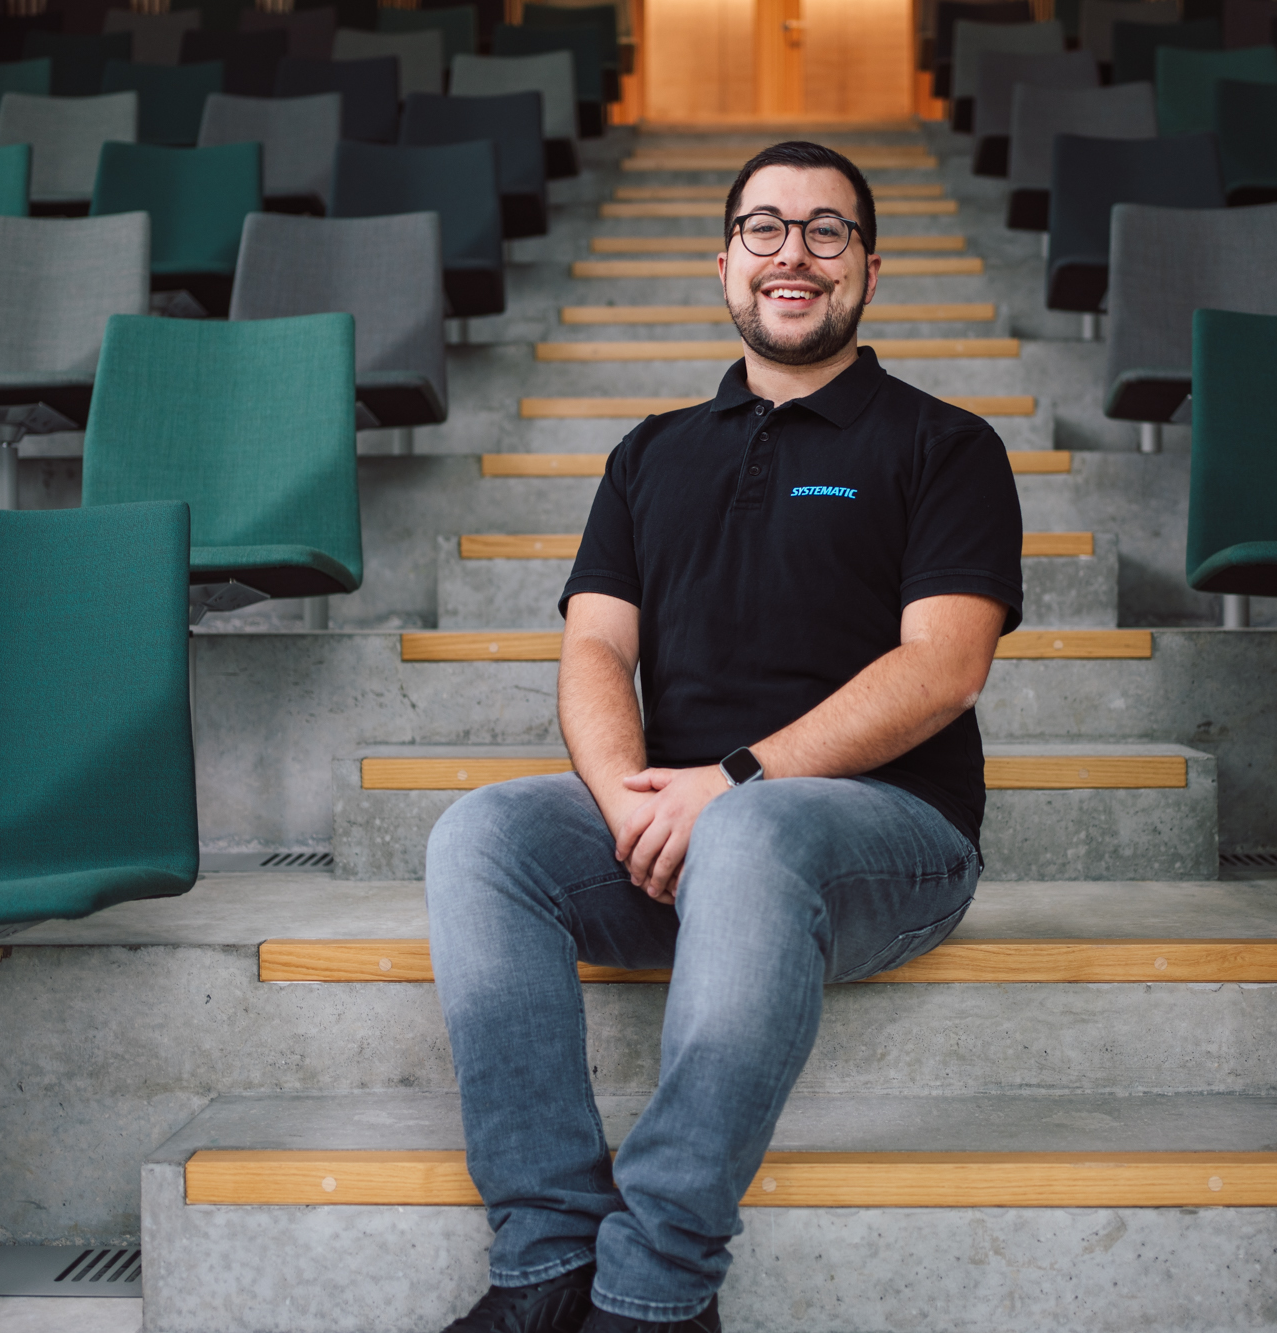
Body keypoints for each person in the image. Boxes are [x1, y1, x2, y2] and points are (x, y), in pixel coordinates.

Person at [424, 140, 1025, 1333]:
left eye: (824, 229)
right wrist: (628, 801)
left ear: (865, 265)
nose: (790, 254)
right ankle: (545, 1264)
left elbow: (944, 667)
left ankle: (653, 1287)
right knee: (482, 833)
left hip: (883, 841)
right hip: (688, 826)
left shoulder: (941, 444)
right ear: (724, 262)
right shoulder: (649, 453)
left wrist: (732, 782)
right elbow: (594, 651)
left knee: (752, 833)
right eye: (764, 228)